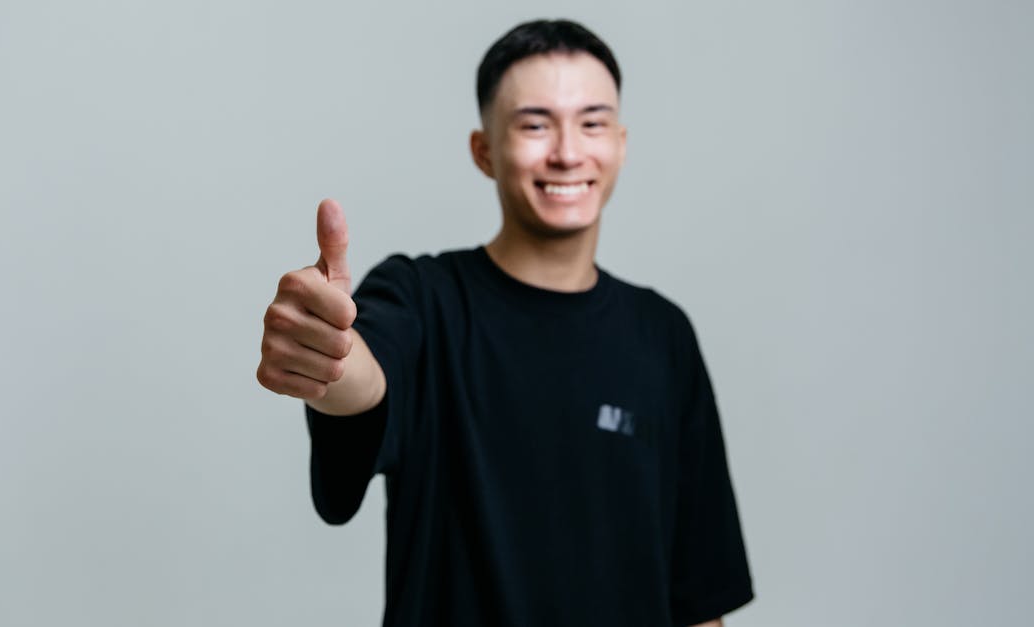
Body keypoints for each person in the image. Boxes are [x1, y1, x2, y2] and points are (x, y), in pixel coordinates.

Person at [257, 19, 754, 627]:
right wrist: (327, 353)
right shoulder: (425, 298)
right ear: (484, 151)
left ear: (621, 143)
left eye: (593, 122)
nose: (568, 152)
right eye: (535, 124)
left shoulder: (664, 335)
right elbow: (364, 372)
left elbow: (699, 593)